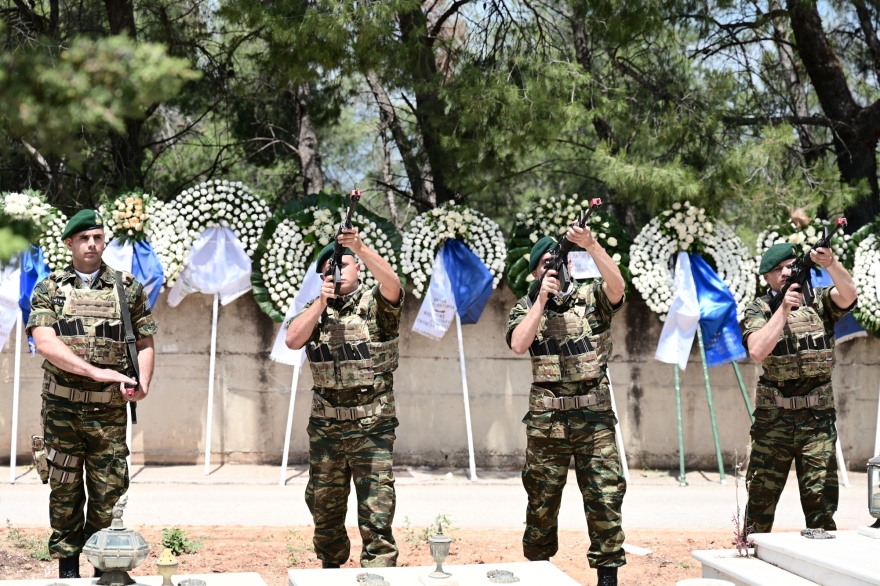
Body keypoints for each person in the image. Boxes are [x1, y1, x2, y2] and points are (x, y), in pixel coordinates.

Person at [27, 209, 156, 579]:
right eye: (84, 238)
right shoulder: (49, 288)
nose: (92, 244)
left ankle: (105, 567)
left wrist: (143, 383)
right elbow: (45, 342)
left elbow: (145, 340)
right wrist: (98, 371)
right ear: (69, 243)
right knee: (64, 492)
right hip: (62, 409)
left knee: (109, 493)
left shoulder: (127, 287)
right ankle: (68, 570)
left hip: (109, 411)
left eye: (98, 237)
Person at [506, 224, 627, 586]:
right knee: (541, 503)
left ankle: (607, 578)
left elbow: (618, 288)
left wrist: (591, 245)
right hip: (548, 423)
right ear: (534, 273)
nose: (553, 268)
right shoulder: (526, 306)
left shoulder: (592, 297)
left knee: (605, 498)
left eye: (557, 261)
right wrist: (541, 301)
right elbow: (517, 343)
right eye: (545, 264)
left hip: (595, 420)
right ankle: (539, 574)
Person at [285, 227, 403, 568]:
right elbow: (292, 340)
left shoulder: (377, 306)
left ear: (359, 269)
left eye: (343, 265)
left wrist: (361, 248)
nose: (336, 273)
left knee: (376, 507)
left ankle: (379, 574)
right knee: (324, 508)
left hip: (371, 426)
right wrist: (321, 302)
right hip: (327, 429)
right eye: (328, 271)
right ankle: (330, 569)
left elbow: (393, 285)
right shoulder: (315, 309)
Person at [742, 241, 857, 535]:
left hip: (816, 419)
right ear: (766, 277)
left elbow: (849, 295)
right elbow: (757, 350)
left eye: (789, 266)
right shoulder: (759, 308)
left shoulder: (819, 302)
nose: (784, 273)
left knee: (821, 503)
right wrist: (782, 310)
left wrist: (830, 263)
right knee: (760, 503)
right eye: (777, 270)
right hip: (774, 422)